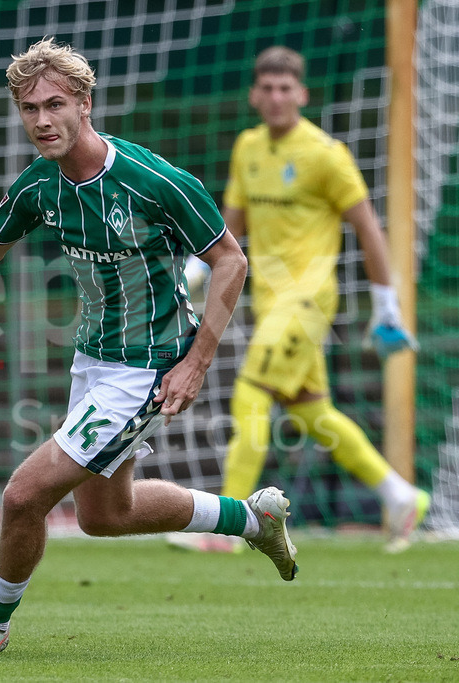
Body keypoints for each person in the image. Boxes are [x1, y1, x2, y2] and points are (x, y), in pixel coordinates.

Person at [0, 38, 295, 655]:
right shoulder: (41, 183)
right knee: (104, 515)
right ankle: (252, 519)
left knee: (23, 495)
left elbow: (230, 260)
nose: (42, 120)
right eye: (30, 108)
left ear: (85, 103)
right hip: (93, 360)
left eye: (55, 104)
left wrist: (196, 362)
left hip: (148, 367)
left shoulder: (152, 181)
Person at [170, 46, 426, 556]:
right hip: (269, 304)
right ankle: (400, 496)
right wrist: (189, 276)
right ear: (253, 95)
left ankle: (227, 528)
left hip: (308, 302)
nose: (276, 96)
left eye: (286, 88)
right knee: (313, 411)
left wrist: (386, 305)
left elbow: (369, 230)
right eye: (266, 87)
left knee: (250, 392)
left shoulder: (326, 155)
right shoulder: (247, 147)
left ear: (302, 94)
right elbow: (229, 231)